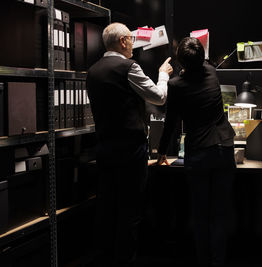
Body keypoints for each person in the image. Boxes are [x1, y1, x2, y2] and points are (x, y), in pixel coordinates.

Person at [86, 22, 173, 266]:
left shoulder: (92, 71)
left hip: (104, 148)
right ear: (123, 41)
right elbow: (158, 96)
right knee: (130, 211)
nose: (133, 45)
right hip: (130, 150)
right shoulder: (128, 67)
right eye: (131, 40)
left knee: (107, 209)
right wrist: (163, 75)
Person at [154, 37, 236, 267]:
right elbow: (201, 63)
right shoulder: (211, 72)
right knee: (220, 213)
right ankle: (218, 261)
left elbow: (171, 122)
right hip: (224, 148)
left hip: (199, 151)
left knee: (200, 213)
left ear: (181, 61)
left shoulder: (176, 85)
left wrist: (161, 151)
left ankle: (203, 261)